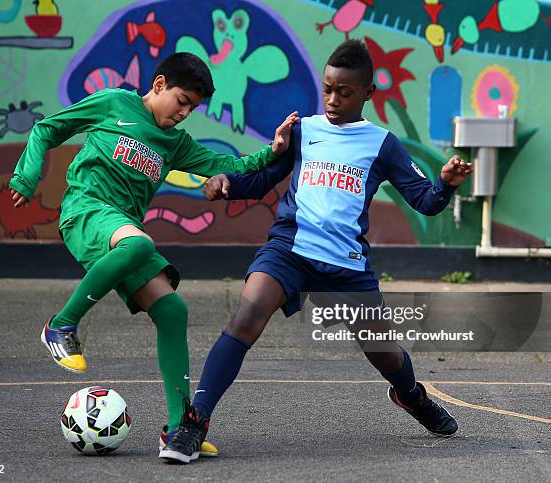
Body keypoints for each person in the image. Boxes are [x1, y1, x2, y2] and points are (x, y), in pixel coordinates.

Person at [160, 40, 473, 463]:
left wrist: (448, 182)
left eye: (344, 92)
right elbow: (262, 179)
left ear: (367, 93)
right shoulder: (303, 130)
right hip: (289, 248)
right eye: (326, 89)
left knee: (381, 350)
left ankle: (411, 396)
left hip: (345, 264)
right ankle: (194, 424)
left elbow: (426, 202)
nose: (332, 99)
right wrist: (227, 184)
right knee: (246, 316)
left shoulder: (381, 144)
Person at [9, 52, 297, 458]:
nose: (184, 113)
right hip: (86, 211)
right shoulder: (114, 103)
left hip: (122, 229)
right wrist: (27, 174)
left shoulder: (176, 144)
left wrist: (273, 150)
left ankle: (180, 429)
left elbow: (230, 164)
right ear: (159, 85)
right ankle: (60, 326)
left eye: (193, 108)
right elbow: (47, 128)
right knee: (139, 243)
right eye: (182, 101)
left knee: (173, 310)